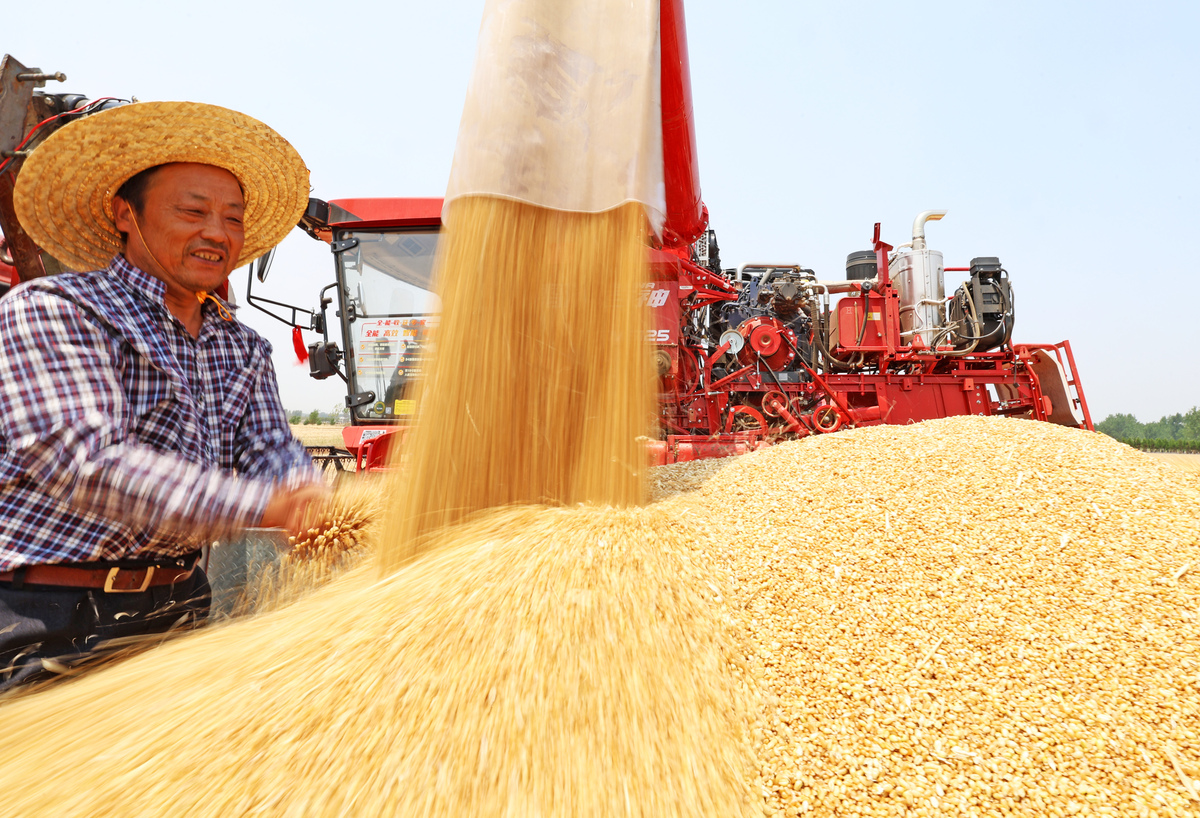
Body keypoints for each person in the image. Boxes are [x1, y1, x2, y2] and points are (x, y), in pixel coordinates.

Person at [0, 101, 327, 691]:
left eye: (232, 218)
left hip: (180, 605)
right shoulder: (55, 311)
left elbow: (270, 447)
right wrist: (263, 506)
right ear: (127, 214)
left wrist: (309, 494)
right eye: (193, 211)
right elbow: (85, 466)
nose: (216, 232)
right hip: (50, 612)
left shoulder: (242, 346)